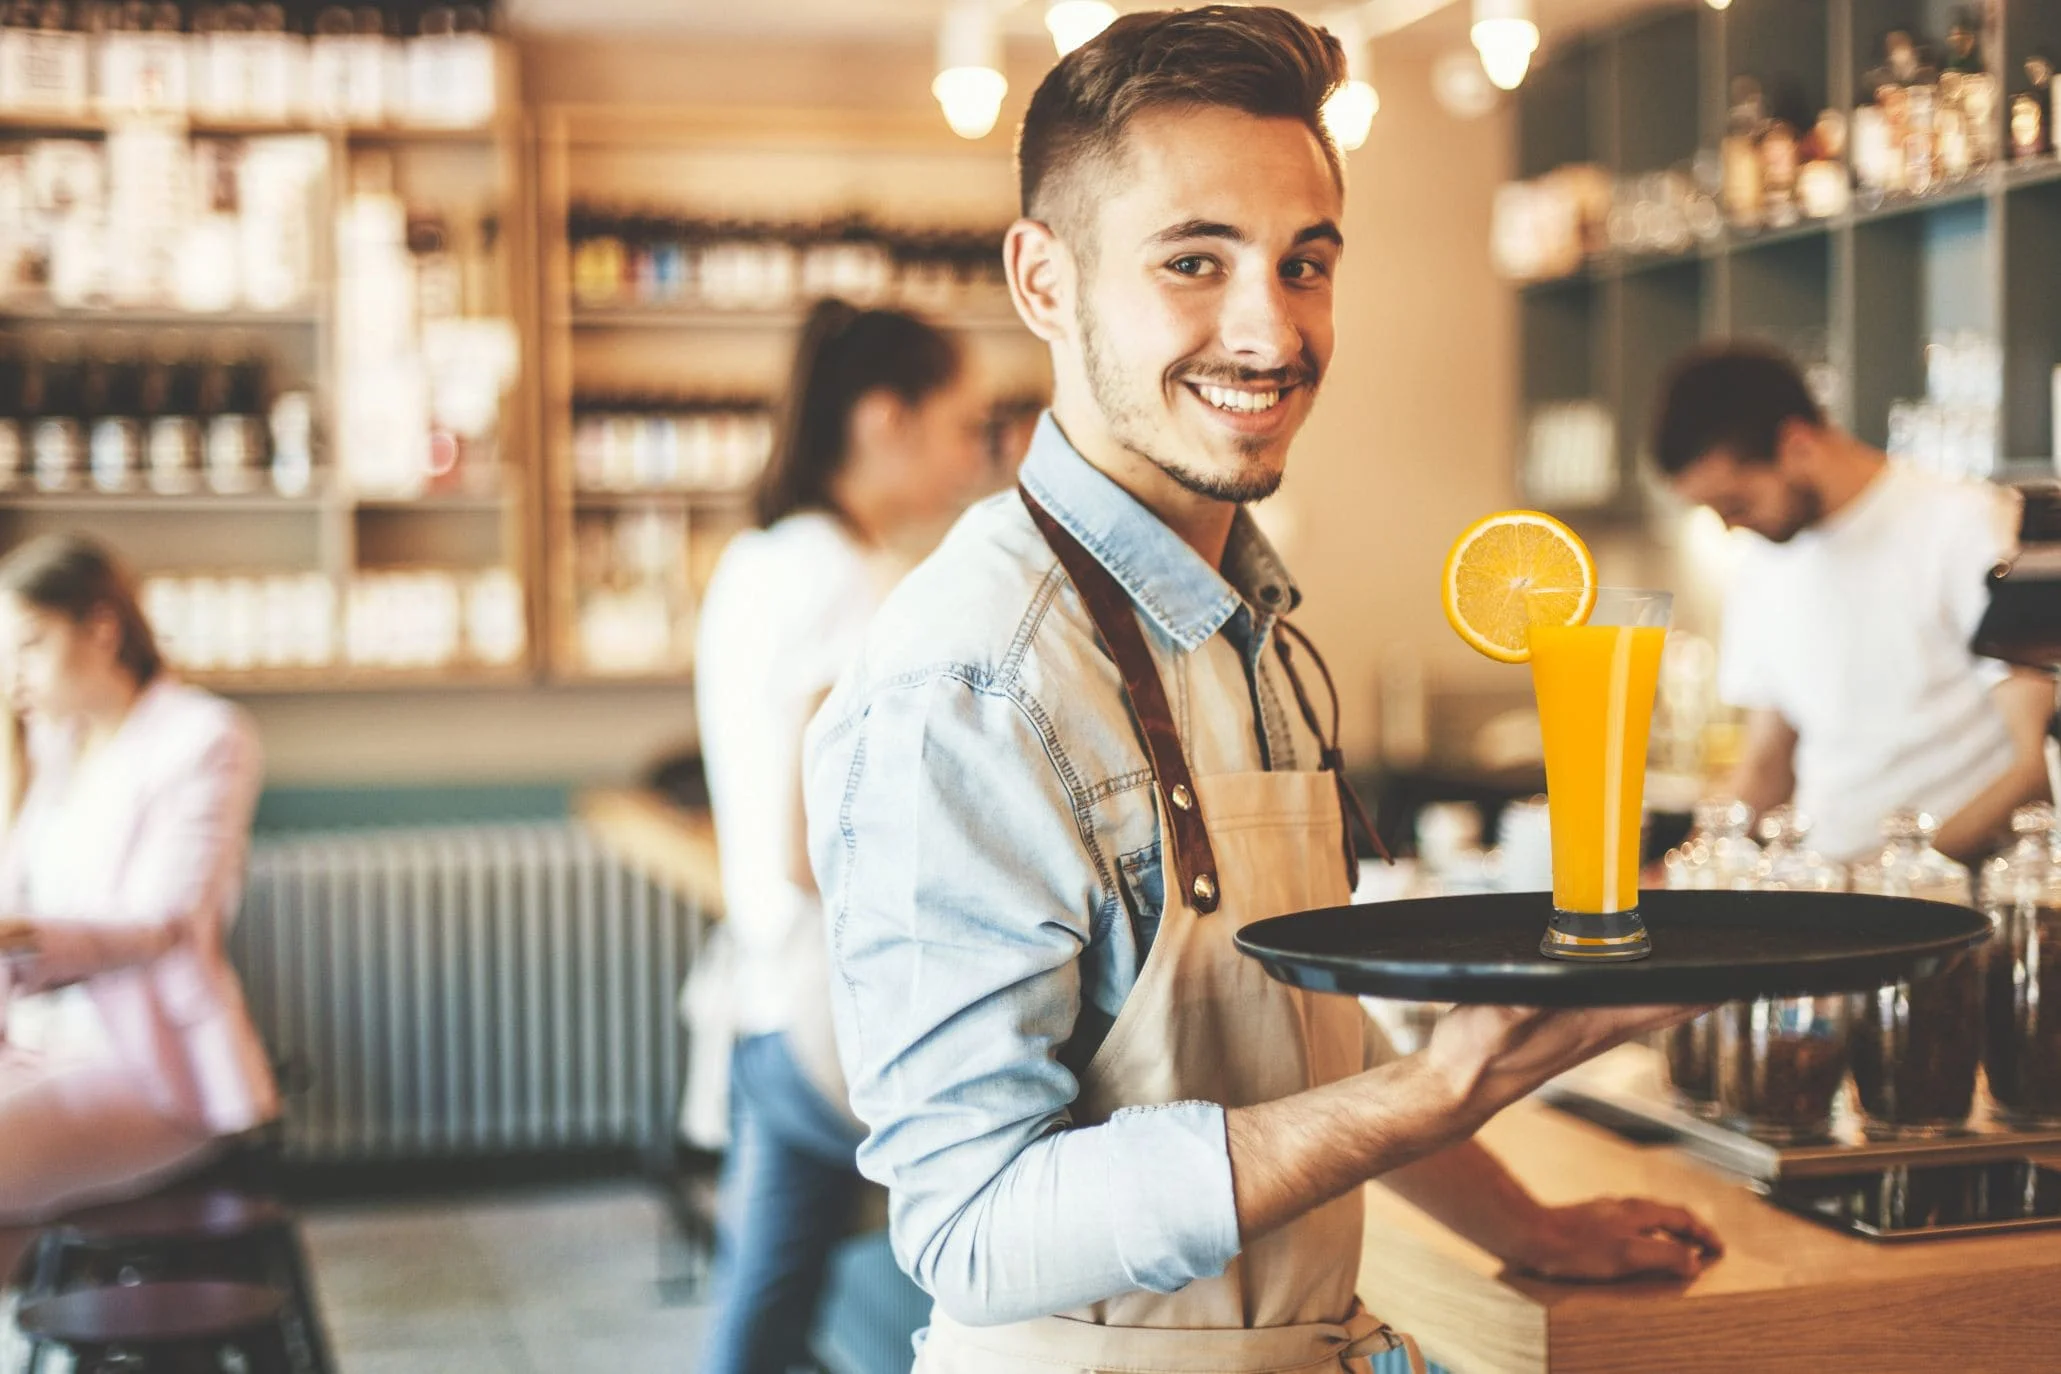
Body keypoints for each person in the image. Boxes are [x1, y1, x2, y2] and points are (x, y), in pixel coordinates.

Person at [804, 10, 1721, 1373]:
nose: (1270, 329)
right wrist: (1432, 1091)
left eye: (1305, 264)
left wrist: (1523, 1222)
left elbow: (1291, 1058)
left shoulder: (1259, 631)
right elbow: (972, 1221)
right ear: (1043, 282)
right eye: (1194, 260)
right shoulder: (971, 677)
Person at [694, 299, 991, 1373]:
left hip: (770, 1002)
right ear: (884, 419)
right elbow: (806, 839)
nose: (975, 458)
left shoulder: (763, 558)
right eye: (963, 427)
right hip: (834, 1013)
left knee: (765, 1304)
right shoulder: (854, 585)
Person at [1653, 344, 2053, 862]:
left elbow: (2034, 766)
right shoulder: (1761, 563)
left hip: (1951, 899)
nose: (1729, 527)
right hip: (1827, 891)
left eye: (1736, 503)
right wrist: (1681, 875)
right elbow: (1765, 769)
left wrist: (1908, 881)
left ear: (1796, 443)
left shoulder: (1962, 525)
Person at [0, 533, 276, 1272]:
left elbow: (163, 924)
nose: (11, 673)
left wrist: (19, 938)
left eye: (27, 644)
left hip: (150, 1068)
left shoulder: (202, 735)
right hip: (36, 1050)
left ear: (101, 628)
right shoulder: (50, 750)